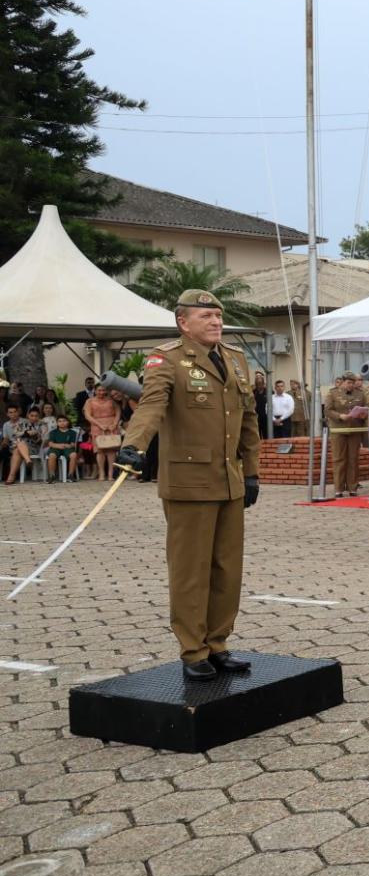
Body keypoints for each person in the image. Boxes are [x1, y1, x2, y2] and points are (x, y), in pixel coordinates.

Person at [114, 289, 261, 682]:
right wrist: (133, 446)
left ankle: (218, 643)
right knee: (191, 570)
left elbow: (247, 419)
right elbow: (151, 404)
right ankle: (193, 649)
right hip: (189, 483)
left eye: (218, 315)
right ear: (183, 322)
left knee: (227, 569)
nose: (216, 321)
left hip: (229, 480)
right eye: (206, 316)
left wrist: (251, 472)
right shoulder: (168, 359)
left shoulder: (235, 358)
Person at [324, 371, 368, 497]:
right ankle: (338, 488)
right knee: (339, 459)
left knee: (353, 459)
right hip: (339, 430)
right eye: (348, 383)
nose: (351, 385)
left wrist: (364, 414)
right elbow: (327, 410)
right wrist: (340, 416)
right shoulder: (333, 393)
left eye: (353, 383)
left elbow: (366, 408)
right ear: (342, 382)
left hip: (355, 429)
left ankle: (352, 487)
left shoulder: (360, 394)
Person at [83, 386, 123, 481]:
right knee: (100, 450)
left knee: (111, 450)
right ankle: (101, 473)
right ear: (95, 391)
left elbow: (118, 412)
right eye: (99, 390)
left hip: (111, 425)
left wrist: (114, 423)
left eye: (103, 390)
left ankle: (110, 474)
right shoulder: (89, 401)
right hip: (97, 426)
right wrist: (99, 424)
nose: (101, 392)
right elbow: (87, 415)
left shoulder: (111, 400)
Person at [46, 414, 79, 482]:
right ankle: (51, 475)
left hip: (67, 449)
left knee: (74, 455)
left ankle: (70, 475)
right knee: (52, 455)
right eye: (60, 421)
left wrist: (65, 445)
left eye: (64, 421)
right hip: (55, 448)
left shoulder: (72, 432)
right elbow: (50, 444)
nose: (62, 423)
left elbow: (72, 444)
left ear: (68, 422)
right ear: (57, 423)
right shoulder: (53, 432)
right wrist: (59, 445)